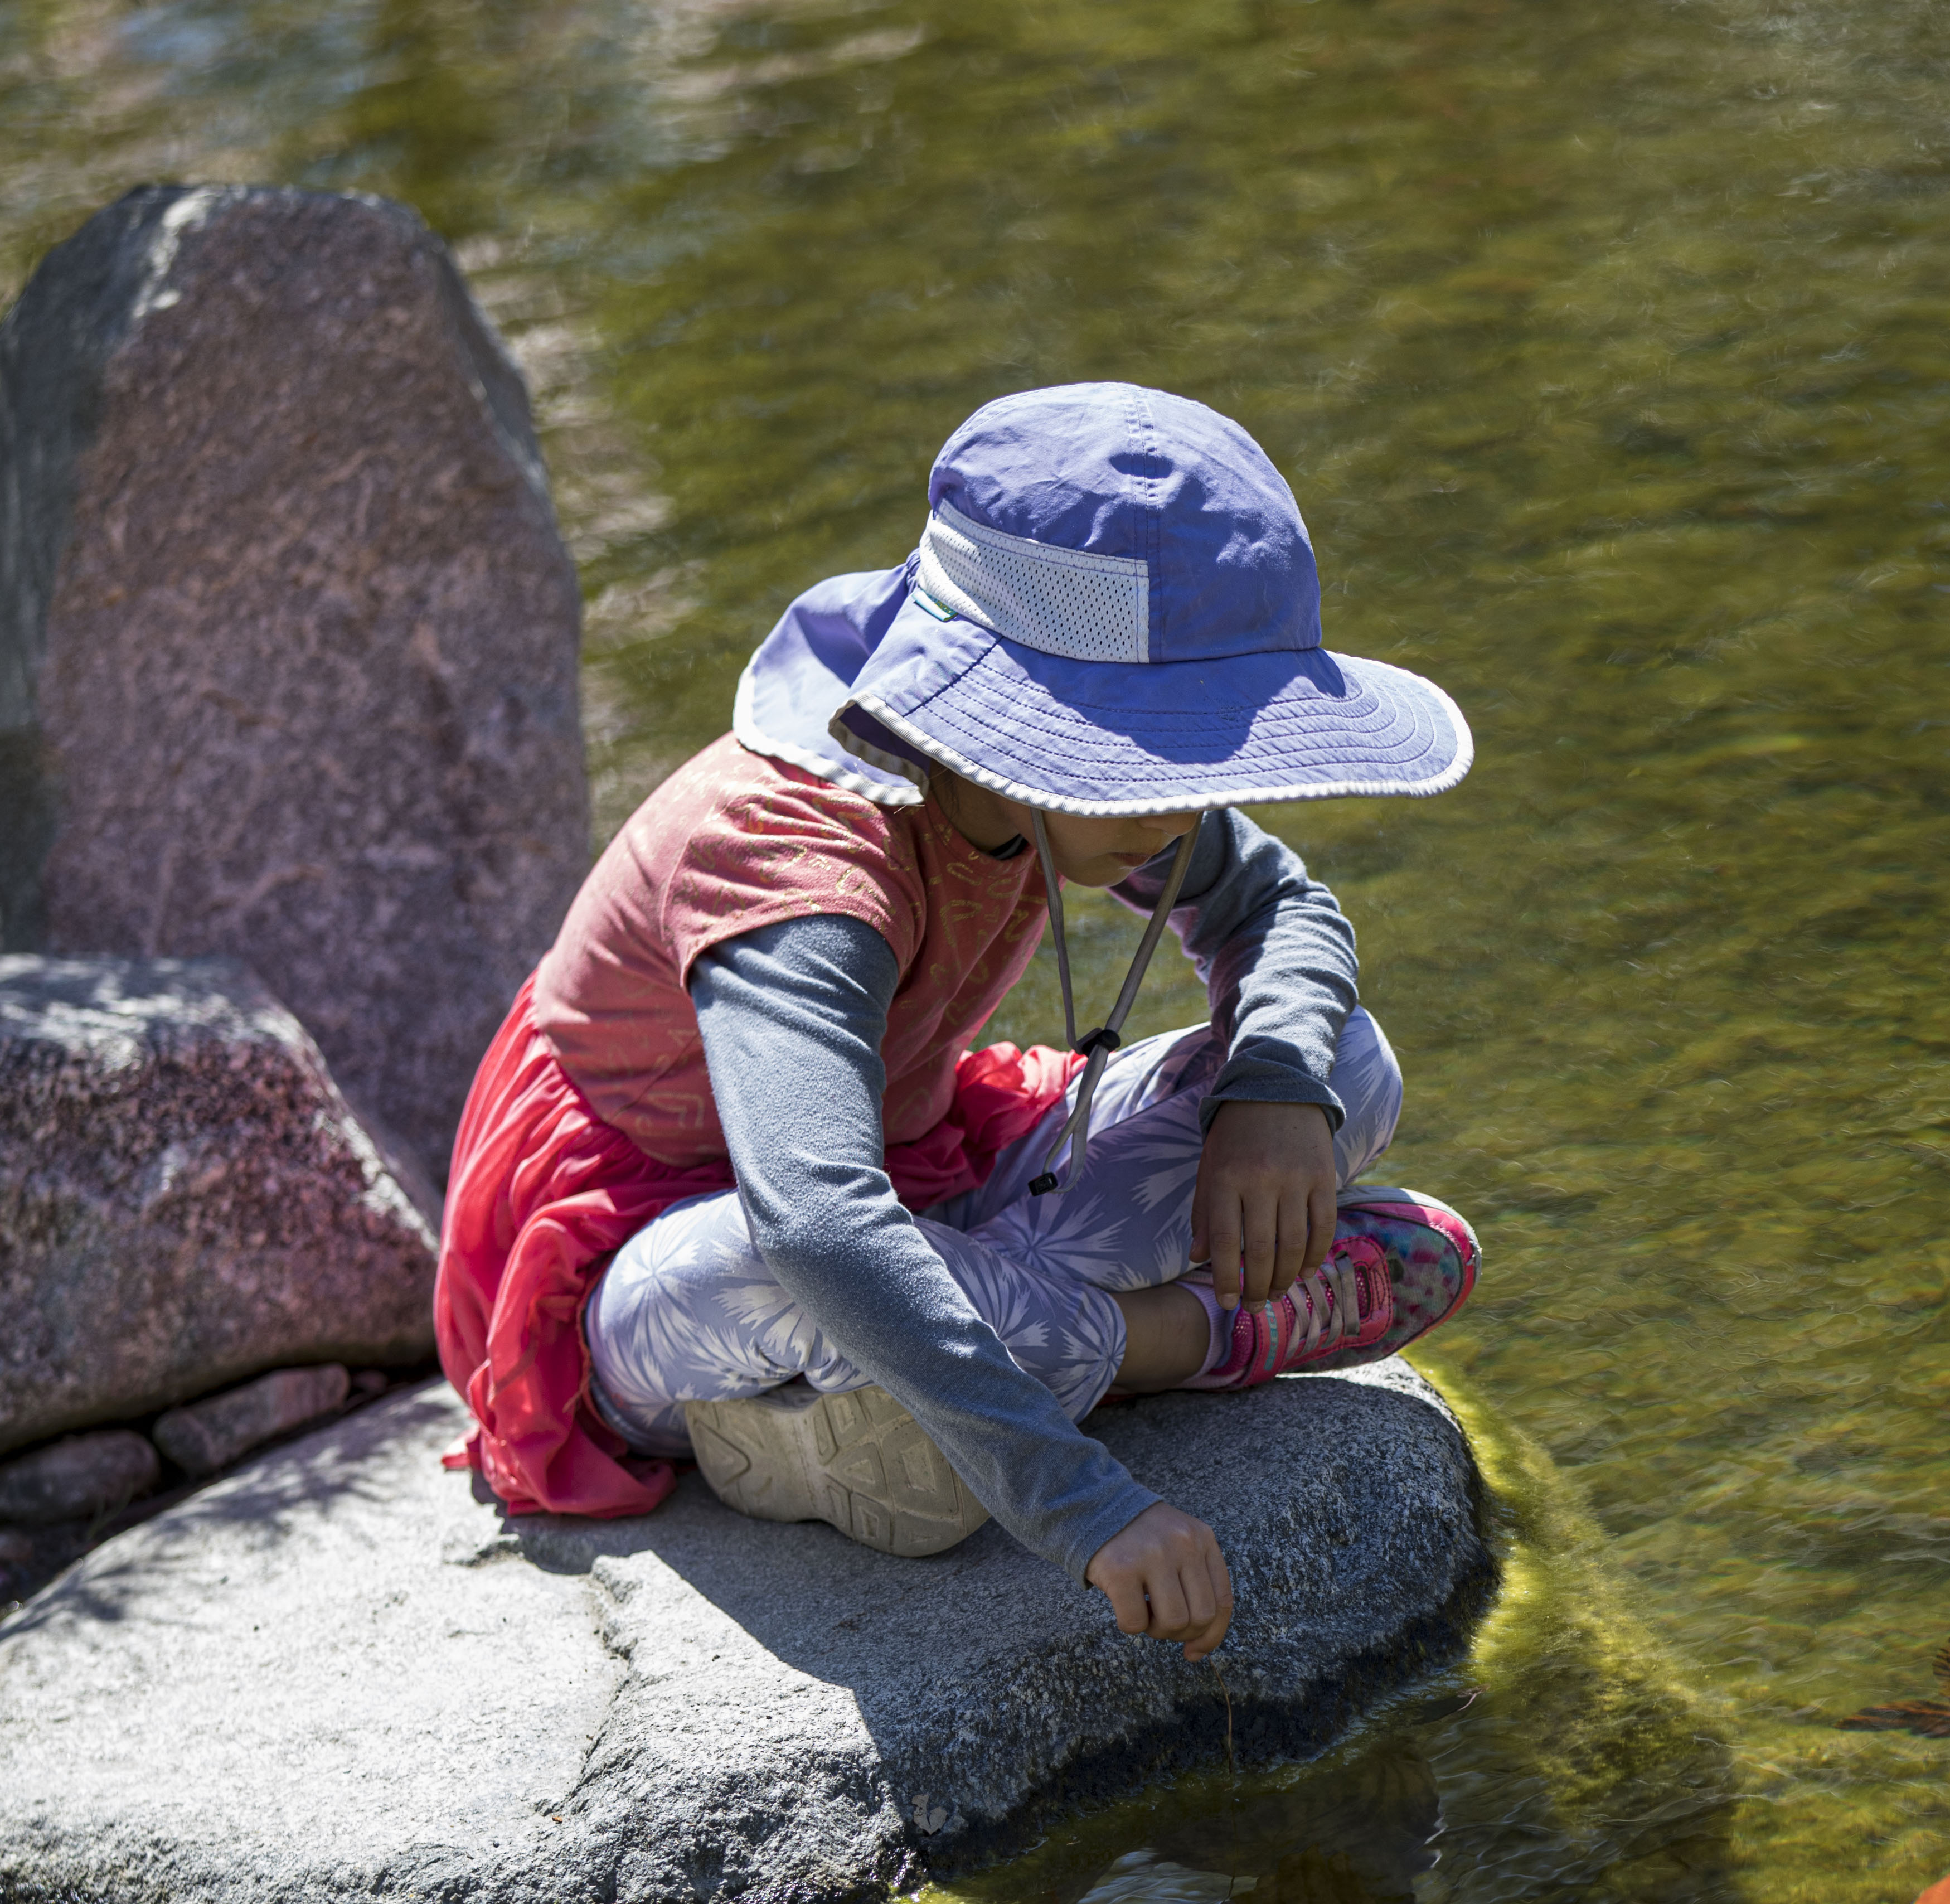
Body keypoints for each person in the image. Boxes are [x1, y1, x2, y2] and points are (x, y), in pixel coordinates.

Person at [435, 381, 1481, 1665]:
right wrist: (1091, 1507)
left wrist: (1272, 1087)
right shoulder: (793, 852)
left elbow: (1280, 906)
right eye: (1165, 755)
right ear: (1020, 723)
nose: (1205, 795)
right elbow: (814, 1211)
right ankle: (1185, 1339)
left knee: (1346, 1063)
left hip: (919, 1161)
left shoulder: (1069, 797)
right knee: (784, 1266)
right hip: (661, 1250)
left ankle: (925, 1387)